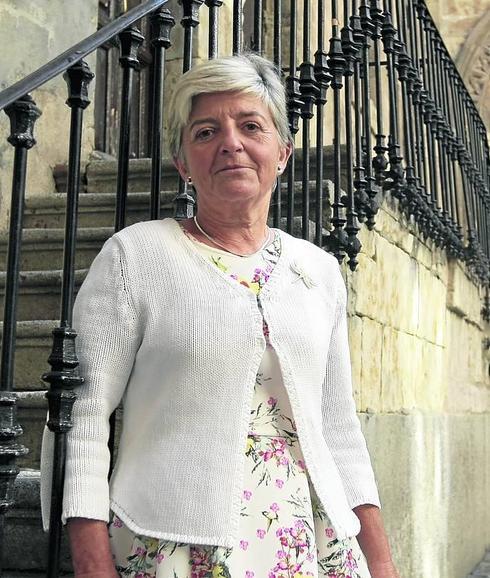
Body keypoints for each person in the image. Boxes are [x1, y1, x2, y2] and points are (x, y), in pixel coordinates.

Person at [41, 53, 400, 578]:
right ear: (184, 163)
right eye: (206, 131)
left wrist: (381, 561)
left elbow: (339, 426)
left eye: (250, 126)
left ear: (282, 151)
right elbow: (83, 416)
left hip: (311, 545)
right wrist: (93, 565)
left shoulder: (317, 271)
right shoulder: (136, 257)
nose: (231, 142)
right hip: (173, 545)